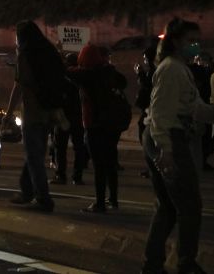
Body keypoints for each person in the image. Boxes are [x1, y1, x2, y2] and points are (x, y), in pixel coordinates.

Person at [141, 18, 214, 274]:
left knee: (167, 206)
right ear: (176, 42)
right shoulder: (172, 69)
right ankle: (185, 263)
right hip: (169, 137)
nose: (196, 47)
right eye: (191, 42)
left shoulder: (179, 68)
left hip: (167, 136)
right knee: (189, 206)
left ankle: (153, 263)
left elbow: (196, 108)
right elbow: (161, 113)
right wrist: (166, 150)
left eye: (198, 42)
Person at [2, 21, 68, 213]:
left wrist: (8, 113)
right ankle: (27, 190)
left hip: (33, 112)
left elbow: (19, 86)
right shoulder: (49, 52)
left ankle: (43, 198)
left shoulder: (25, 55)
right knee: (35, 154)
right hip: (50, 112)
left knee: (34, 156)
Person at [67, 44, 128, 213]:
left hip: (95, 125)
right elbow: (123, 81)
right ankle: (113, 199)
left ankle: (100, 203)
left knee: (99, 166)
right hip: (112, 125)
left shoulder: (88, 75)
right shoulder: (109, 72)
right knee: (110, 163)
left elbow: (68, 72)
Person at [53, 52, 88, 185]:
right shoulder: (82, 76)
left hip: (64, 117)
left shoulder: (62, 77)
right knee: (78, 147)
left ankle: (61, 175)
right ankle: (77, 176)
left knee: (60, 147)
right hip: (78, 117)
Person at [135, 39, 161, 177]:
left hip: (151, 110)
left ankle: (154, 166)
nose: (144, 60)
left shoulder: (153, 71)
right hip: (148, 109)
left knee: (148, 138)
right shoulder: (152, 70)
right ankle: (152, 166)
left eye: (145, 58)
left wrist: (139, 74)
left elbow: (148, 86)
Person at [188, 53, 214, 171]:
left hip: (202, 112)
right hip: (196, 116)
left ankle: (201, 163)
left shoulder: (209, 74)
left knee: (203, 141)